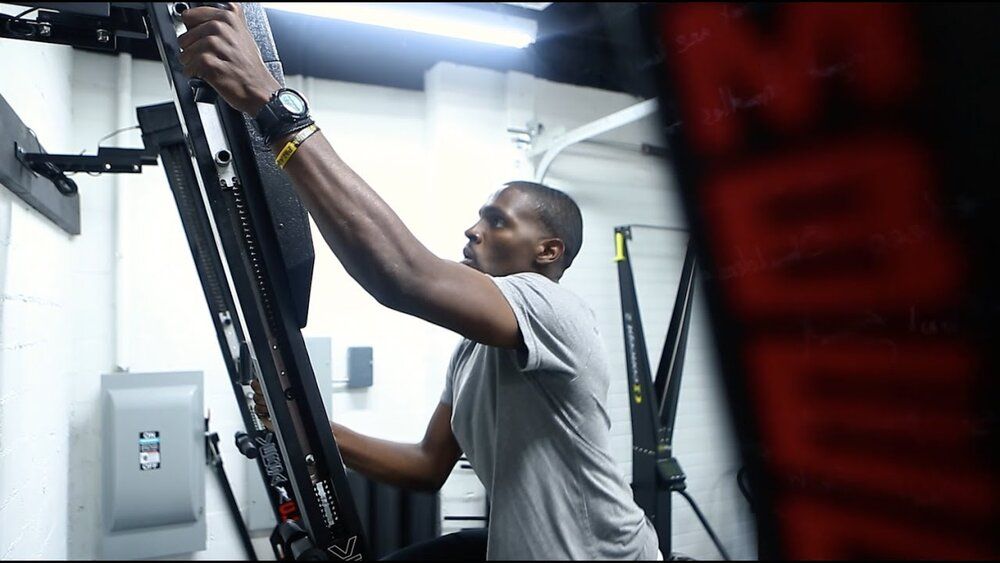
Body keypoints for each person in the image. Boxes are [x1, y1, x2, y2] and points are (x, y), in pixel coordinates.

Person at [179, 4, 660, 560]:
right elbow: (427, 466)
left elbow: (402, 274)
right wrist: (306, 425)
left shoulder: (556, 310)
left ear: (547, 251)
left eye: (497, 221)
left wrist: (271, 104)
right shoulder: (474, 351)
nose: (473, 230)